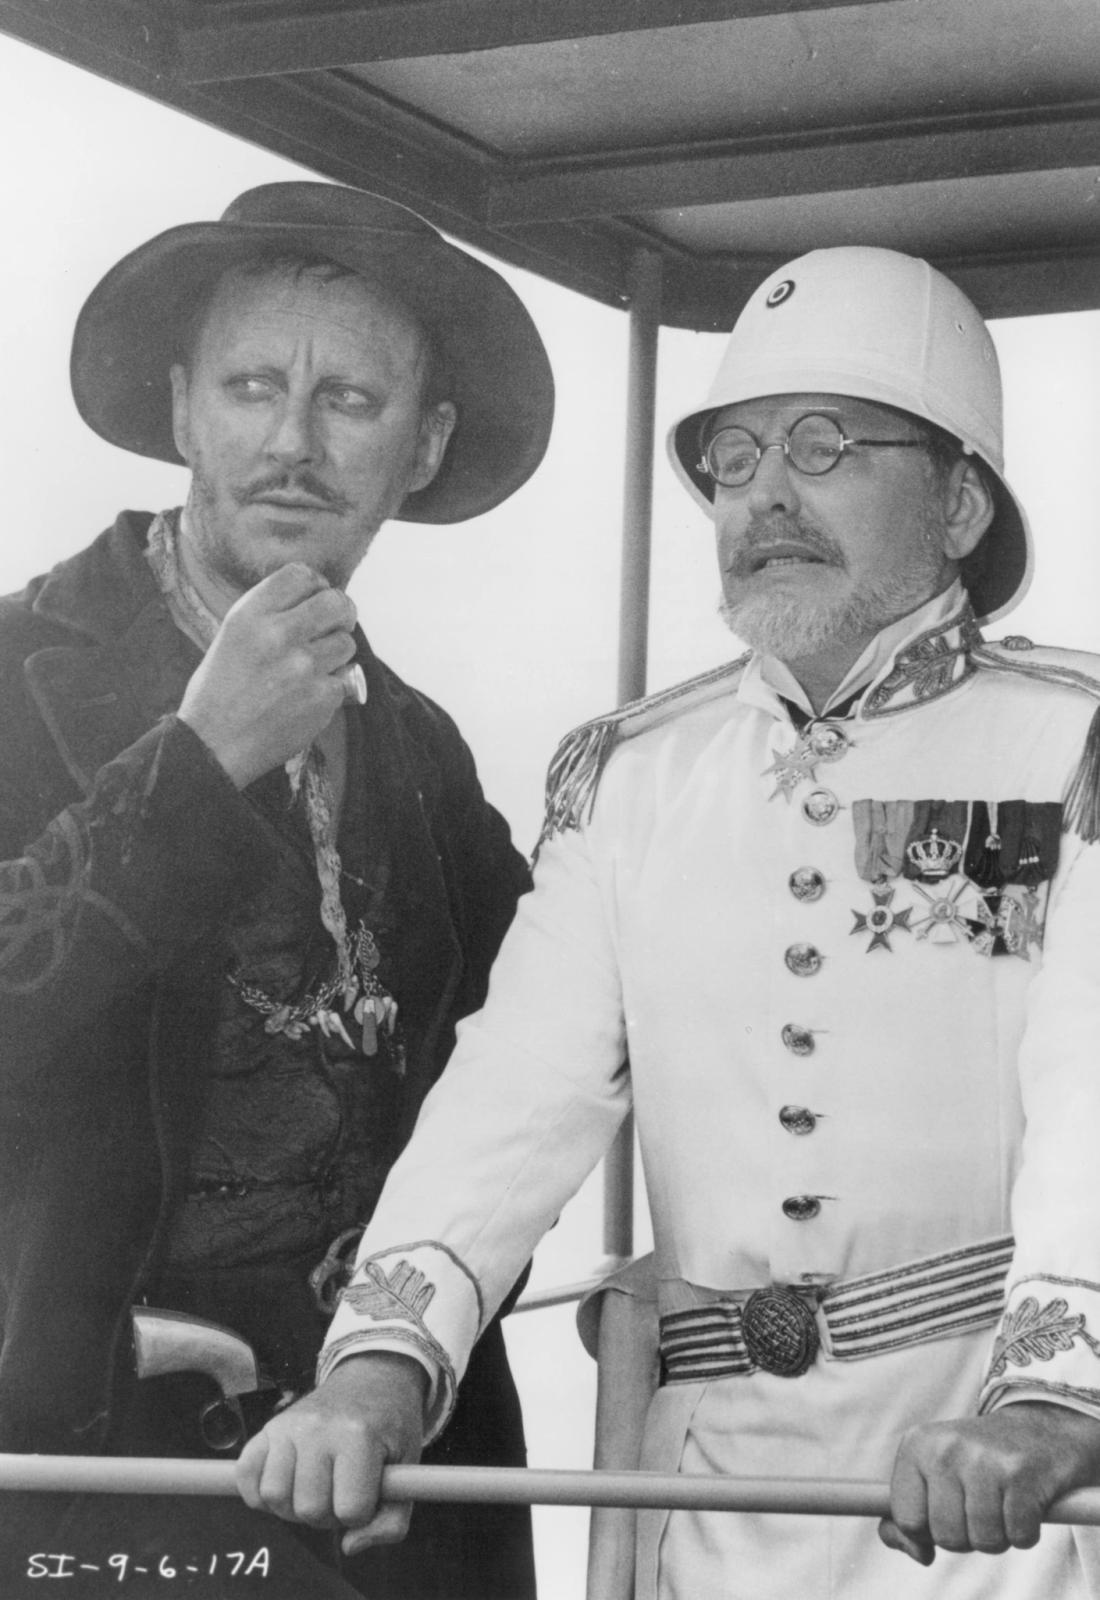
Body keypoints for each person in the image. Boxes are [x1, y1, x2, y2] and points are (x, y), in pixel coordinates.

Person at [239, 244, 1100, 1599]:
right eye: (733, 459)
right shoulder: (631, 776)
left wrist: (1051, 1406)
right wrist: (380, 1370)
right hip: (702, 1499)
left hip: (1004, 1507)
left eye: (822, 447)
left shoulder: (1072, 747)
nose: (764, 495)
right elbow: (515, 1098)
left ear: (960, 503)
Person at [0, 180, 554, 1599]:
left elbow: (553, 1050)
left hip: (397, 1492)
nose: (292, 443)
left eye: (350, 401)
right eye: (252, 386)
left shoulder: (425, 750)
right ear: (183, 409)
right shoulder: (12, 673)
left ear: (425, 446)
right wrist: (195, 766)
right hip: (94, 1481)